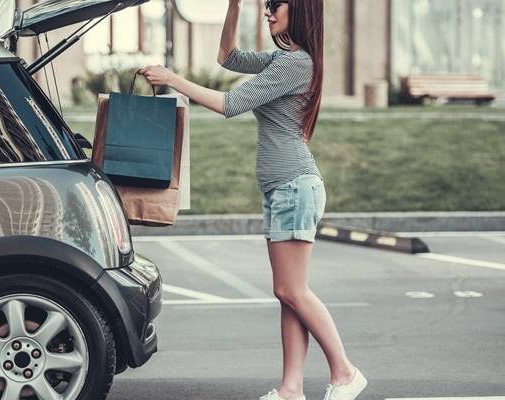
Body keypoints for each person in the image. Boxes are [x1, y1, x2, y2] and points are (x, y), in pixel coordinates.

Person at [137, 1, 367, 399]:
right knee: (288, 293)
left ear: (298, 10)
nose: (268, 12)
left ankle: (345, 372)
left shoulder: (296, 64)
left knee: (292, 291)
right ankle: (291, 389)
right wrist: (234, 6)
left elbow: (230, 104)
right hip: (283, 188)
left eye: (274, 5)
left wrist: (173, 78)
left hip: (294, 186)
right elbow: (227, 57)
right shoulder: (283, 58)